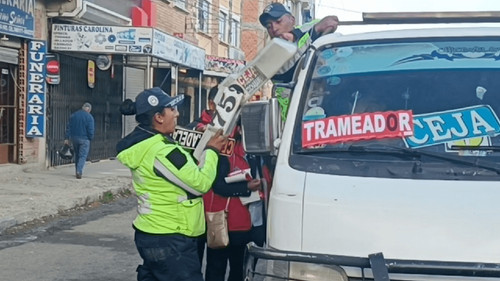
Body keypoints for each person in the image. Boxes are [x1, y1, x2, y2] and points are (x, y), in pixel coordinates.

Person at [116, 87, 228, 281]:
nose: (177, 114)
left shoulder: (148, 144)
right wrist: (211, 151)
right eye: (172, 110)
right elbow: (200, 183)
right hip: (171, 238)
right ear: (159, 117)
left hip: (153, 233)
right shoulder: (161, 150)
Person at [259, 3, 339, 122]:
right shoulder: (270, 55)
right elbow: (287, 70)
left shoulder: (305, 31)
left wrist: (296, 35)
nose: (274, 29)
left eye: (278, 21)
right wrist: (314, 33)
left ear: (292, 20)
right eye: (268, 26)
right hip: (291, 124)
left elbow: (330, 21)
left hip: (326, 113)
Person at [203, 124, 263, 281]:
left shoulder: (259, 153)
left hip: (248, 223)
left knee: (239, 270)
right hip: (225, 222)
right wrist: (246, 187)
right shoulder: (226, 152)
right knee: (216, 269)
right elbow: (217, 186)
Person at [64, 102, 95, 179]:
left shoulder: (74, 115)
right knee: (83, 156)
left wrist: (67, 138)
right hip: (84, 139)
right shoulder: (89, 117)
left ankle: (77, 170)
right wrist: (90, 138)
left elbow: (68, 127)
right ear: (89, 109)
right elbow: (90, 130)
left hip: (74, 138)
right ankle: (79, 171)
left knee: (77, 155)